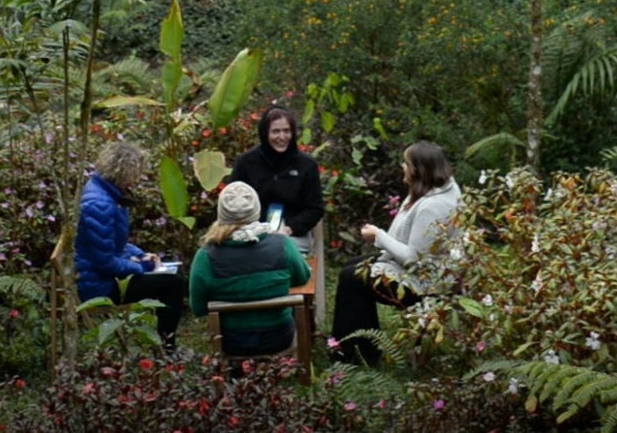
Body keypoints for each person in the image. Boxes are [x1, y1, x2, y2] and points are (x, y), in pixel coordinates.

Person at [330, 140, 461, 366]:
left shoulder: (433, 206)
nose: (402, 166)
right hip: (422, 269)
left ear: (418, 170)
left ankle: (356, 357)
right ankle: (357, 346)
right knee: (351, 266)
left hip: (426, 282)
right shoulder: (432, 190)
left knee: (351, 278)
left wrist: (378, 236)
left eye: (406, 163)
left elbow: (414, 259)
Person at [74, 140, 185, 350]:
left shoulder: (105, 192)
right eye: (136, 174)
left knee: (171, 276)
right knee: (173, 283)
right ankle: (168, 348)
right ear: (124, 173)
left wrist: (140, 254)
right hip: (97, 286)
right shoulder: (100, 204)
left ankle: (165, 345)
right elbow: (105, 262)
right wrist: (141, 266)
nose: (137, 179)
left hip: (99, 277)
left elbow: (114, 243)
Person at [189, 181, 312, 357]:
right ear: (256, 210)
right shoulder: (282, 244)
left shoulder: (206, 256)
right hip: (278, 337)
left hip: (231, 341)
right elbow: (302, 277)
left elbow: (198, 308)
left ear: (221, 213)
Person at [230, 107, 324, 254]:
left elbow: (315, 208)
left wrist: (289, 228)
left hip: (292, 235)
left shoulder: (307, 165)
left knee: (277, 250)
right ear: (265, 133)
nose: (282, 137)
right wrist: (254, 229)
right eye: (275, 131)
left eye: (286, 131)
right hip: (252, 232)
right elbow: (232, 200)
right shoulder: (246, 162)